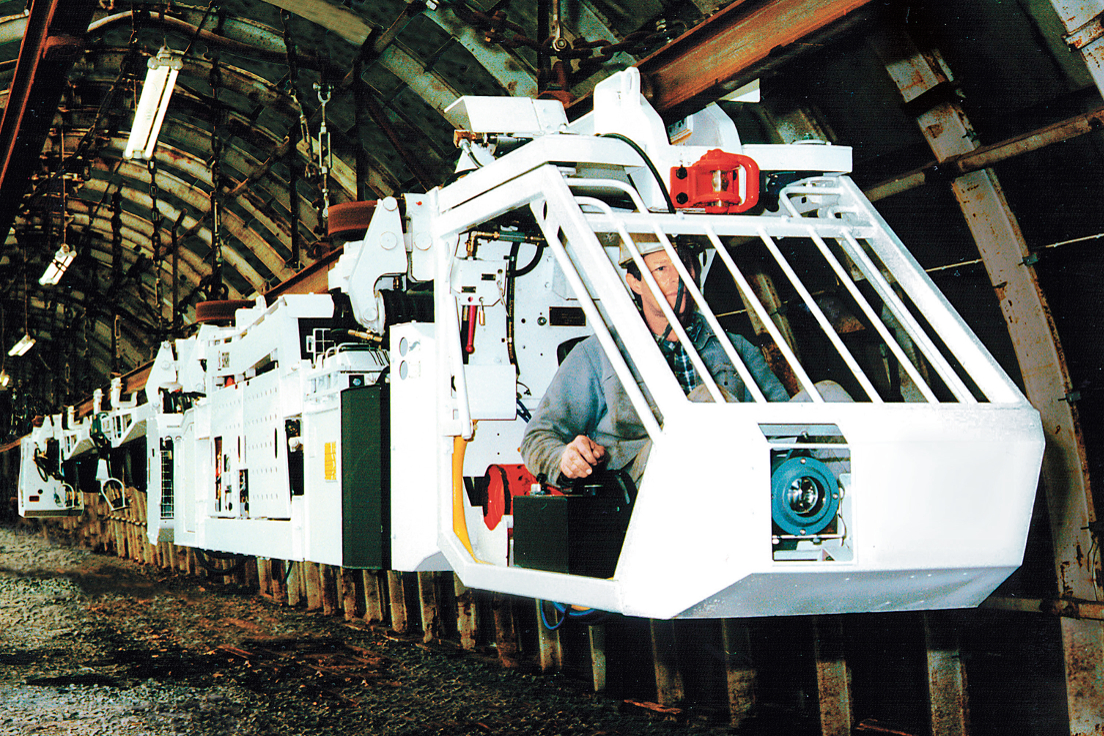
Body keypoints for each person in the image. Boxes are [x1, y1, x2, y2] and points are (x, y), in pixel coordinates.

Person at [520, 241, 789, 486]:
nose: (677, 278)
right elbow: (537, 438)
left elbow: (784, 422)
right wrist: (565, 458)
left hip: (733, 478)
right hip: (643, 491)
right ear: (635, 283)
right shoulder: (600, 354)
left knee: (818, 398)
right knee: (707, 401)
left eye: (684, 265)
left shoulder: (735, 349)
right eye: (661, 269)